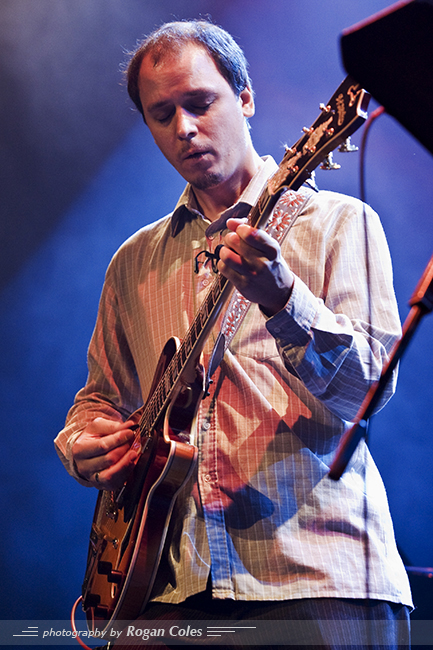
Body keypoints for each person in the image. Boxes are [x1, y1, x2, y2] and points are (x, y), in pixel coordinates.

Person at [55, 19, 412, 649]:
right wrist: (83, 445)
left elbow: (368, 391)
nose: (185, 128)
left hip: (313, 578)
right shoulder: (133, 263)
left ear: (245, 98)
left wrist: (283, 299)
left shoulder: (340, 223)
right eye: (162, 114)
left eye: (200, 103)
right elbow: (98, 400)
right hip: (164, 592)